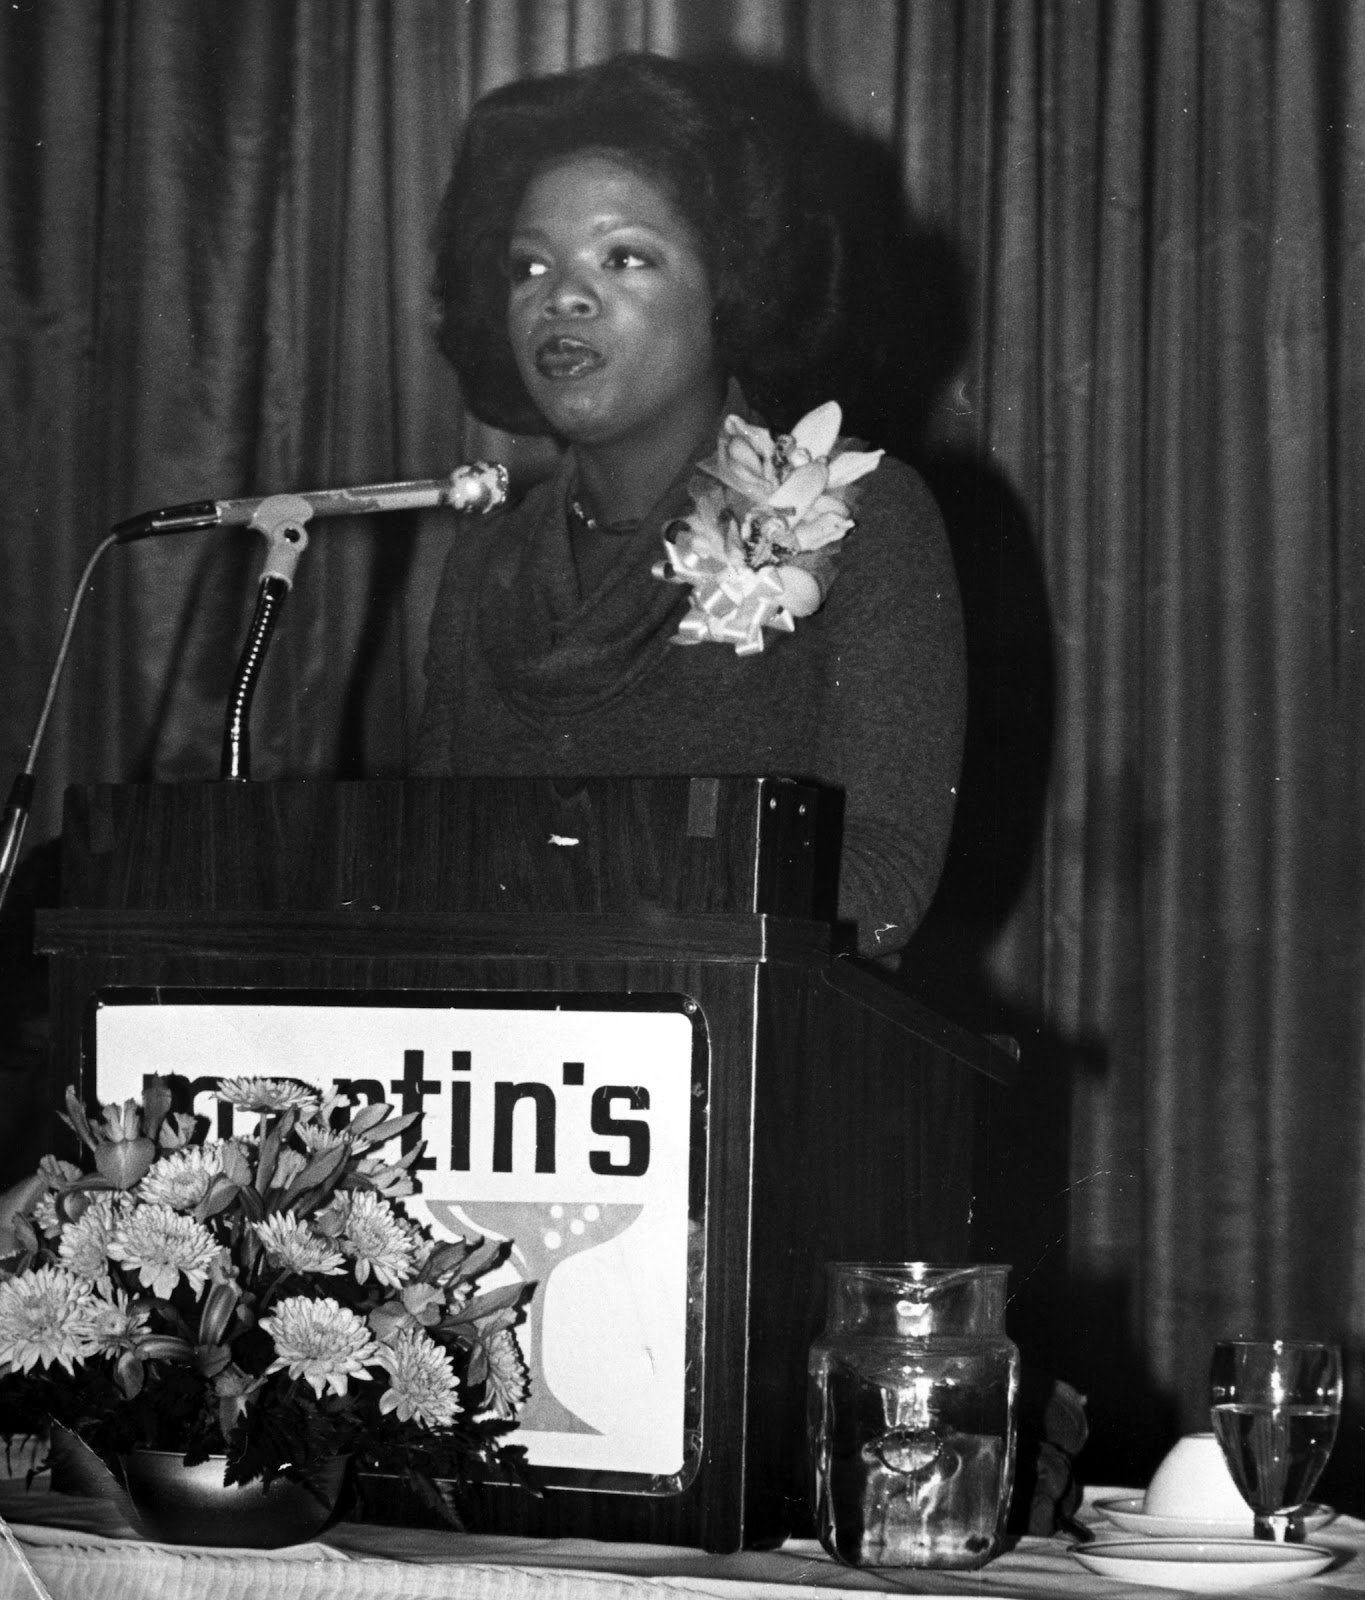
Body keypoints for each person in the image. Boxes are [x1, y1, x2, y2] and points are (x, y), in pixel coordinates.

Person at [417, 52, 965, 962]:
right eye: (527, 267)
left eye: (623, 256)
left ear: (729, 286)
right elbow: (423, 860)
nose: (563, 297)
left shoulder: (864, 517)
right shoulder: (486, 560)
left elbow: (883, 879)